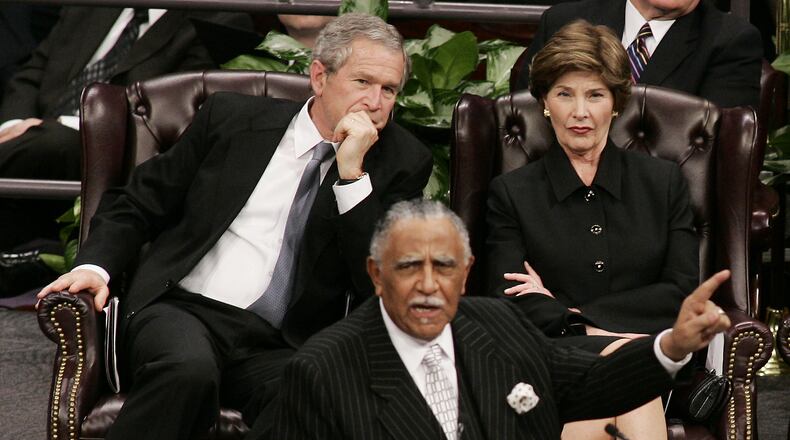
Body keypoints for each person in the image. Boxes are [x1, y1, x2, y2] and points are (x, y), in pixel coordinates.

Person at [37, 12, 432, 440]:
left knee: (311, 396)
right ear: (319, 77)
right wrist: (95, 267)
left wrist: (352, 177)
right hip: (185, 311)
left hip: (281, 342)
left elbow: (379, 278)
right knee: (188, 371)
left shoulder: (400, 162)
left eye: (389, 89)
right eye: (362, 82)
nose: (376, 102)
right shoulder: (233, 119)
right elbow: (139, 202)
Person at [272, 199, 731, 440]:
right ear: (376, 274)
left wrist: (672, 345)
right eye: (410, 266)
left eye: (445, 267)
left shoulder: (495, 325)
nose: (429, 285)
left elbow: (589, 380)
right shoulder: (323, 370)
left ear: (466, 274)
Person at [486, 20, 699, 439]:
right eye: (564, 94)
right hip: (554, 360)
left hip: (653, 357)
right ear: (545, 101)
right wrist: (596, 336)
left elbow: (680, 290)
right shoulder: (512, 193)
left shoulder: (663, 183)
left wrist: (577, 318)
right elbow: (509, 298)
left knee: (624, 366)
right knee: (610, 369)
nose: (580, 112)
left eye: (595, 95)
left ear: (616, 103)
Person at [0, 6, 254, 257]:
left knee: (58, 141)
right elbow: (33, 73)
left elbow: (176, 110)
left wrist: (56, 127)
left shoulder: (218, 17)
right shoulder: (90, 8)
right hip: (32, 138)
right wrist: (13, 126)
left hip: (113, 144)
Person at [511, 0, 762, 109]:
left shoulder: (730, 42)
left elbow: (715, 150)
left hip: (656, 202)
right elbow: (524, 120)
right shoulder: (563, 21)